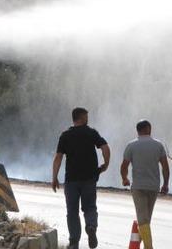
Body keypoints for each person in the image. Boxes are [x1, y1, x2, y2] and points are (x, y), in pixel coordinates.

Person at [52, 107, 111, 249]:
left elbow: (58, 157)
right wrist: (106, 164)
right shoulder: (91, 133)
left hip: (71, 179)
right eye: (86, 116)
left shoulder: (65, 135)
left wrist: (54, 177)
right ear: (81, 117)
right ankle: (91, 226)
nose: (88, 118)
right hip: (90, 178)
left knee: (72, 211)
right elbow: (105, 148)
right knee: (90, 207)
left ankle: (74, 242)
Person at [120, 120, 169, 249]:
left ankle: (148, 247)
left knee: (143, 220)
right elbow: (165, 166)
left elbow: (124, 165)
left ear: (138, 130)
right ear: (148, 129)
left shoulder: (131, 145)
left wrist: (124, 178)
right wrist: (165, 184)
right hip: (153, 187)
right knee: (146, 219)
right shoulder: (158, 145)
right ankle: (142, 245)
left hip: (138, 187)